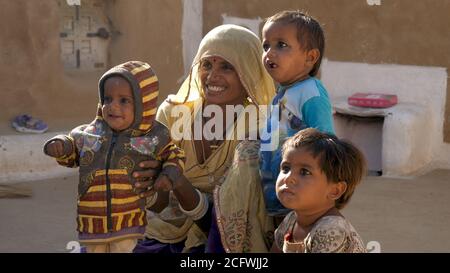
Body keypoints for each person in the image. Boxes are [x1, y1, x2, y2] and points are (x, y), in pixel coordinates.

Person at [132, 24, 276, 253]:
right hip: (163, 231)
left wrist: (179, 183)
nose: (212, 76)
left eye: (227, 67)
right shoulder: (172, 113)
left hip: (222, 241)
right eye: (206, 64)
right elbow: (158, 204)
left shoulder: (260, 126)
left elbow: (236, 216)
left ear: (248, 72)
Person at [43, 61, 185, 253]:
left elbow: (175, 154)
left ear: (145, 105)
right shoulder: (90, 133)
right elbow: (73, 150)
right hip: (92, 224)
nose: (112, 106)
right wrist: (61, 146)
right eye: (107, 99)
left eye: (124, 100)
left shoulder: (153, 136)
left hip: (129, 223)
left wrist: (168, 174)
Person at [259, 10, 335, 216]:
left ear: (310, 57)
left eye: (281, 45)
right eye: (266, 46)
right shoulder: (282, 94)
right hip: (277, 192)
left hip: (300, 196)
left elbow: (326, 143)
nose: (270, 53)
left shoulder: (311, 92)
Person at [272, 128, 367, 253]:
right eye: (286, 168)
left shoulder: (332, 230)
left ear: (335, 191)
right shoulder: (291, 221)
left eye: (304, 172)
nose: (289, 178)